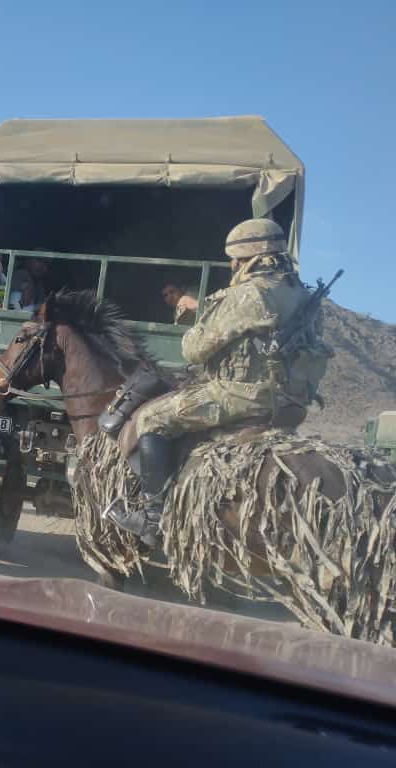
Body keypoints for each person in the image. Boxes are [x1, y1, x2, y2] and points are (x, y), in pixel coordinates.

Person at [106, 218, 330, 548]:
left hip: (242, 395)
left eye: (235, 259)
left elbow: (194, 350)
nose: (232, 265)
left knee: (152, 421)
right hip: (292, 402)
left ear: (248, 258)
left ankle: (155, 517)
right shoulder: (303, 297)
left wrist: (200, 318)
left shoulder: (250, 295)